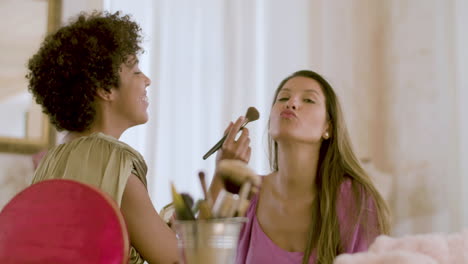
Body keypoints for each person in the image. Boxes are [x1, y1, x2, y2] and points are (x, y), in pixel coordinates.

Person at [27, 11, 179, 264]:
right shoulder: (113, 161)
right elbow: (177, 260)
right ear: (105, 88)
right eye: (136, 71)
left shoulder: (51, 160)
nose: (147, 80)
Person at [211, 70, 390, 264]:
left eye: (309, 100)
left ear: (327, 127)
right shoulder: (249, 193)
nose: (291, 103)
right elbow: (198, 254)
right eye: (283, 97)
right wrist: (222, 172)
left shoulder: (355, 198)